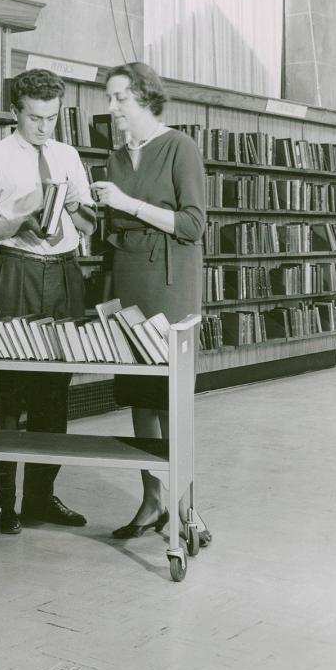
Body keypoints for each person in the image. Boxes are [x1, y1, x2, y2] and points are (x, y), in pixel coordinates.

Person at [0, 68, 97, 535]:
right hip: (18, 270)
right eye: (35, 118)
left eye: (52, 118)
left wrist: (72, 209)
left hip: (64, 274)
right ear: (15, 112)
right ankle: (1, 504)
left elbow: (88, 226)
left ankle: (41, 497)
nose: (45, 128)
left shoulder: (67, 154)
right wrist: (19, 218)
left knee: (55, 390)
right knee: (11, 390)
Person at [90, 62, 210, 542]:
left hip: (170, 285)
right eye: (110, 98)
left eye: (119, 97)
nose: (112, 107)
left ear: (145, 98)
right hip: (129, 281)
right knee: (138, 393)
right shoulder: (117, 158)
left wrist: (124, 204)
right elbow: (118, 225)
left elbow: (192, 225)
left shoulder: (179, 147)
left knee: (171, 400)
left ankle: (188, 511)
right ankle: (152, 502)